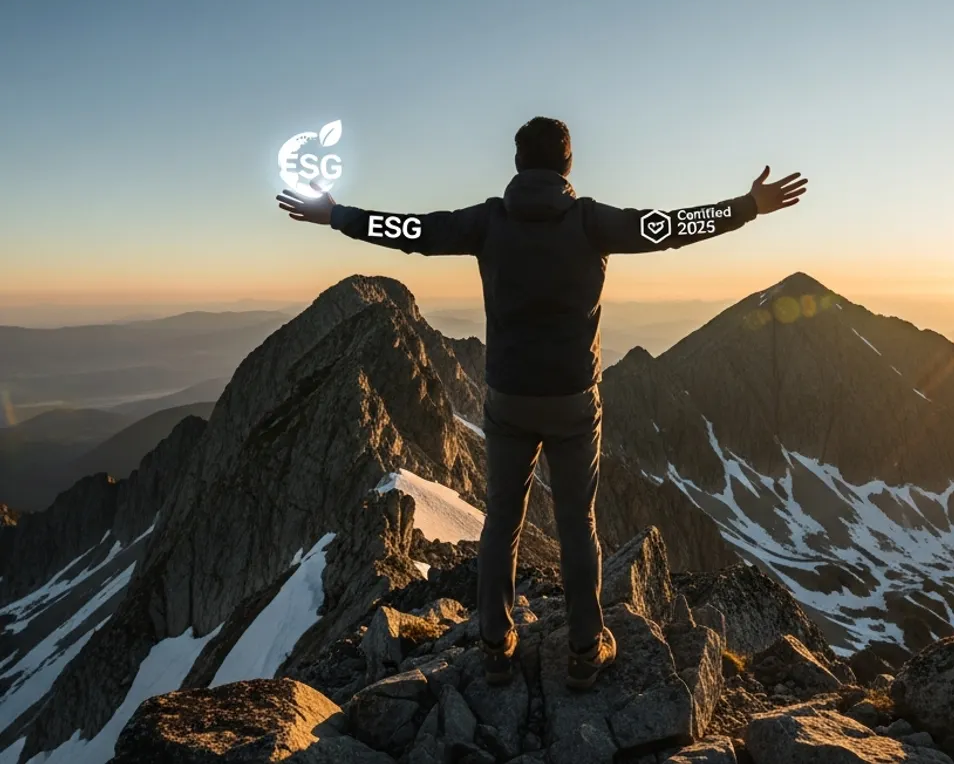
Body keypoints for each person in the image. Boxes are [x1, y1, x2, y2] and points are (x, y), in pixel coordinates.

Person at [277, 117, 807, 689]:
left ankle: (495, 645)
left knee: (502, 520)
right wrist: (747, 206)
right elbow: (670, 227)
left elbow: (414, 231)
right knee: (578, 523)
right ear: (568, 164)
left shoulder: (488, 221)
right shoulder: (590, 221)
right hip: (574, 400)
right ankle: (585, 649)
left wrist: (337, 215)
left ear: (517, 163)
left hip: (508, 399)